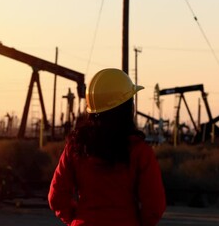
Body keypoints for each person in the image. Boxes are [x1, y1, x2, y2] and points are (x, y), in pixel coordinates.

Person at [48, 68, 166, 226]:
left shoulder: (76, 147)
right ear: (127, 107)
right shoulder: (139, 151)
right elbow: (154, 207)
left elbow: (56, 198)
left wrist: (79, 219)